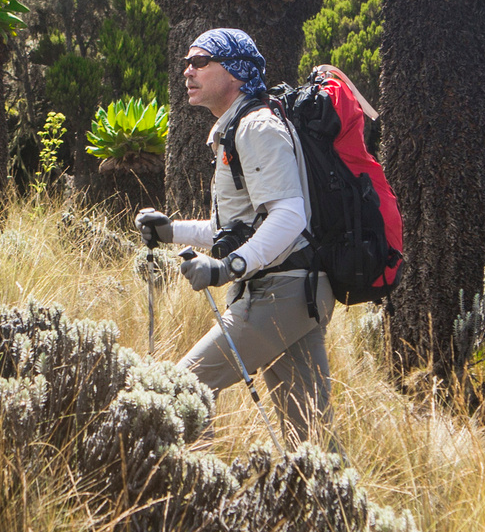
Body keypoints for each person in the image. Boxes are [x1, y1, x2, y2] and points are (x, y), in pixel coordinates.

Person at [135, 28, 335, 438]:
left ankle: (193, 479)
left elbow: (289, 216)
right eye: (187, 63)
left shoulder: (256, 128)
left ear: (236, 72)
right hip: (298, 291)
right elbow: (240, 228)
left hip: (279, 293)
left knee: (179, 392)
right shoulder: (237, 127)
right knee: (309, 434)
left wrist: (228, 268)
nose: (187, 71)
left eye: (200, 62)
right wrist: (171, 231)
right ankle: (325, 482)